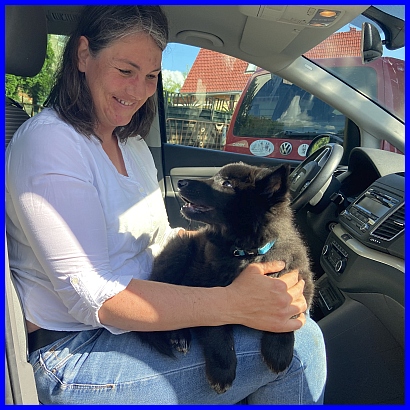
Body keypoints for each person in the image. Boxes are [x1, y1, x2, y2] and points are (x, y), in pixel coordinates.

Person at [5, 6, 327, 404]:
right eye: (126, 70)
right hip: (77, 349)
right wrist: (233, 303)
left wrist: (236, 255)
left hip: (149, 315)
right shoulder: (51, 144)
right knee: (304, 345)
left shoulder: (130, 144)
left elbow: (156, 239)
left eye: (151, 76)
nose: (138, 90)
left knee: (286, 319)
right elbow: (95, 297)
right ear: (84, 55)